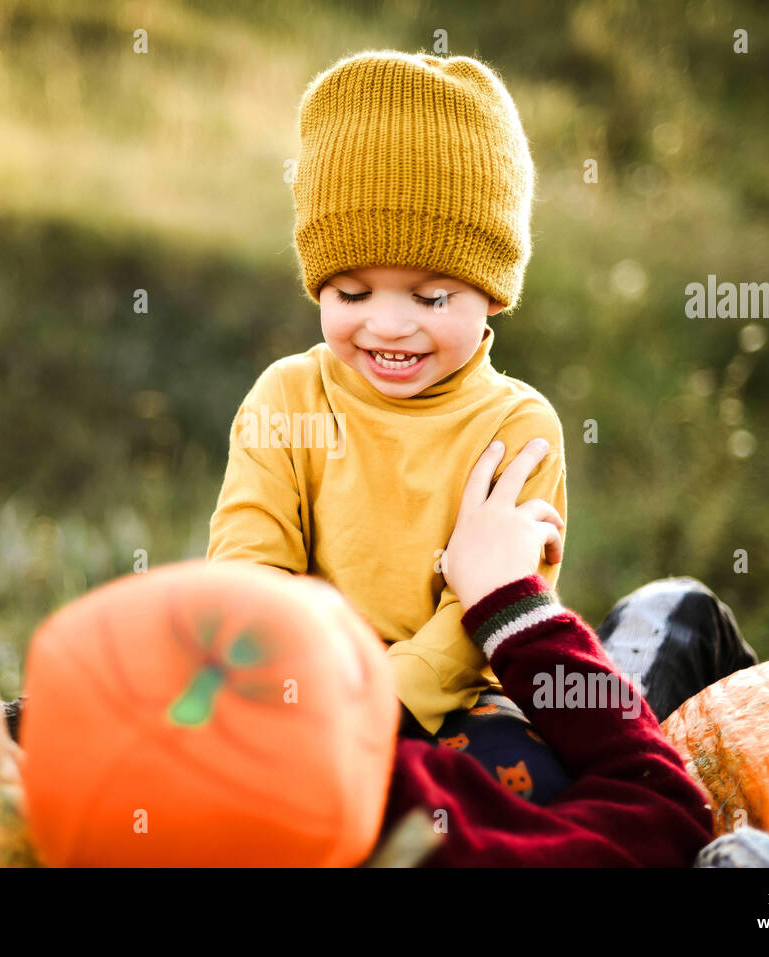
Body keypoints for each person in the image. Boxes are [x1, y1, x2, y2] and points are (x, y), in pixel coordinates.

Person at [207, 50, 568, 752]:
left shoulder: (518, 428)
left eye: (432, 296)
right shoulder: (288, 396)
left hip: (459, 704)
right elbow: (250, 567)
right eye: (353, 293)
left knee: (513, 791)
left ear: (493, 289)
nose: (390, 324)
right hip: (304, 687)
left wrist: (376, 700)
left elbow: (486, 610)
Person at [374, 438, 756, 865]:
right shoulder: (386, 810)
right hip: (601, 779)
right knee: (681, 608)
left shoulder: (315, 781)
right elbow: (662, 821)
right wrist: (508, 602)